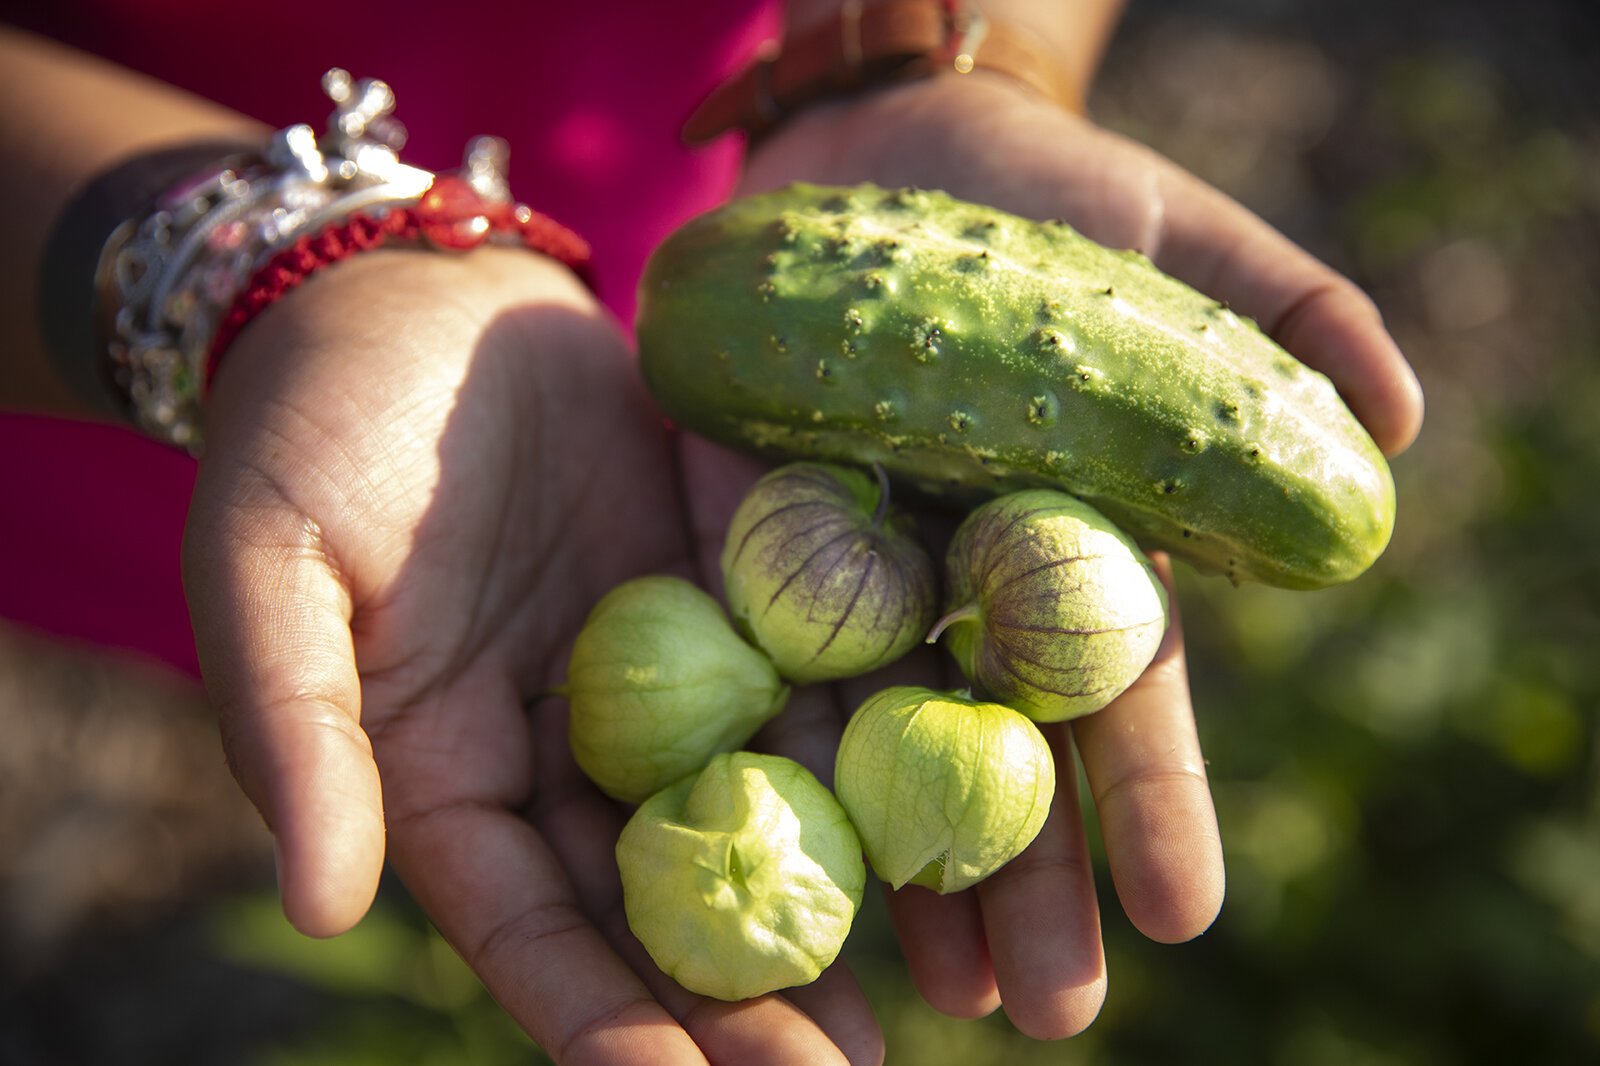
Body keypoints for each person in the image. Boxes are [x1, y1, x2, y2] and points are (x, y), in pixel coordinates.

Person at [0, 1, 1423, 1062]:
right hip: (112, 240)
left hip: (731, 237)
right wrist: (240, 264)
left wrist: (923, 44)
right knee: (311, 619)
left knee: (344, 656)